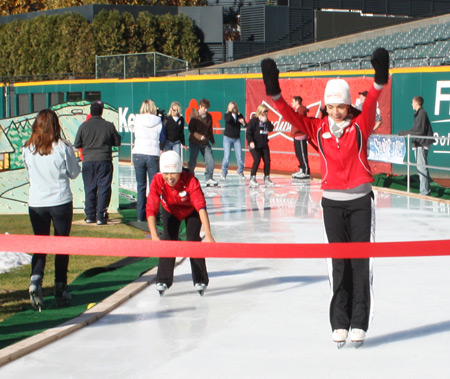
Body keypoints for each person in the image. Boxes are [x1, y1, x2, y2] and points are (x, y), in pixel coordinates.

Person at [261, 47, 390, 346]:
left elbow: (371, 102)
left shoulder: (360, 126)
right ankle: (339, 321)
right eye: (330, 106)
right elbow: (291, 116)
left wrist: (379, 80)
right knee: (337, 263)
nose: (334, 111)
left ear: (347, 106)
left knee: (360, 263)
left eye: (340, 106)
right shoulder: (318, 129)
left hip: (360, 202)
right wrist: (274, 92)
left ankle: (359, 321)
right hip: (331, 203)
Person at [22, 109, 81, 311]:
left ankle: (35, 280)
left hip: (36, 201)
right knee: (61, 244)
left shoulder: (28, 148)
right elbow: (73, 173)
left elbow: (28, 171)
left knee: (40, 242)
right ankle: (60, 287)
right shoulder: (62, 146)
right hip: (60, 200)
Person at [146, 150, 215, 296]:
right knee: (168, 240)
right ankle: (163, 279)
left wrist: (208, 235)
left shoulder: (190, 180)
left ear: (179, 171)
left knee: (193, 240)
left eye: (173, 174)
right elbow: (151, 208)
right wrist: (154, 236)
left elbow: (201, 207)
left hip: (191, 211)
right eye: (166, 173)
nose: (169, 178)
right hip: (170, 209)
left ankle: (200, 279)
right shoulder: (158, 180)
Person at [74, 101, 121, 225]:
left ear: (90, 111)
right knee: (103, 188)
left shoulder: (84, 126)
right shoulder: (108, 125)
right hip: (104, 160)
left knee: (89, 188)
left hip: (88, 161)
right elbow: (117, 142)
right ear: (101, 111)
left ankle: (90, 215)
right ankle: (101, 216)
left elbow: (77, 143)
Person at [132, 99, 165, 222]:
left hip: (139, 153)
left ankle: (140, 217)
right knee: (153, 188)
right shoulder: (158, 121)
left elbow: (135, 133)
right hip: (153, 154)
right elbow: (163, 138)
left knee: (141, 187)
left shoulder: (137, 120)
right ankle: (154, 215)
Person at [398, 96, 434, 196]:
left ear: (416, 103)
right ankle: (425, 190)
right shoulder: (419, 113)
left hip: (421, 144)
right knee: (420, 168)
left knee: (422, 168)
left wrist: (404, 133)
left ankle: (425, 192)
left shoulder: (422, 113)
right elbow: (417, 130)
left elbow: (419, 131)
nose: (411, 104)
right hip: (419, 143)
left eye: (412, 102)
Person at [188, 98, 218, 187]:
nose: (206, 110)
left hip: (205, 142)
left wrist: (212, 140)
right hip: (194, 142)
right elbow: (191, 130)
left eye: (207, 108)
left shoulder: (209, 117)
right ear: (200, 107)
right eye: (204, 108)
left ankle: (209, 178)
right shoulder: (193, 115)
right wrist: (199, 136)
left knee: (210, 159)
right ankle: (190, 178)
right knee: (192, 161)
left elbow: (210, 130)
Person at [246, 104, 274, 188]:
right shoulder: (254, 120)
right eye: (264, 112)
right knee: (257, 160)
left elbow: (271, 128)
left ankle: (267, 178)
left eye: (266, 112)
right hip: (255, 145)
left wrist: (266, 121)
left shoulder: (266, 121)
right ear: (260, 111)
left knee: (267, 161)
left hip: (264, 144)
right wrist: (251, 141)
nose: (265, 114)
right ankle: (252, 178)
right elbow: (248, 133)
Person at [221, 101, 247, 181]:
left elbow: (245, 125)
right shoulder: (227, 115)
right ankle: (224, 172)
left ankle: (240, 171)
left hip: (236, 138)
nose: (233, 108)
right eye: (232, 107)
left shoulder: (239, 115)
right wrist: (230, 111)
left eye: (234, 106)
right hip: (227, 138)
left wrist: (243, 122)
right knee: (227, 156)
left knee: (239, 156)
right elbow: (228, 120)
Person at [290, 96, 310, 180]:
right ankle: (301, 169)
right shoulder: (297, 110)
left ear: (297, 102)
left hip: (301, 135)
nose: (292, 103)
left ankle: (306, 171)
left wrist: (295, 130)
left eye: (293, 101)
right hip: (296, 135)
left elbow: (298, 121)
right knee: (298, 154)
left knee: (302, 154)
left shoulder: (301, 110)